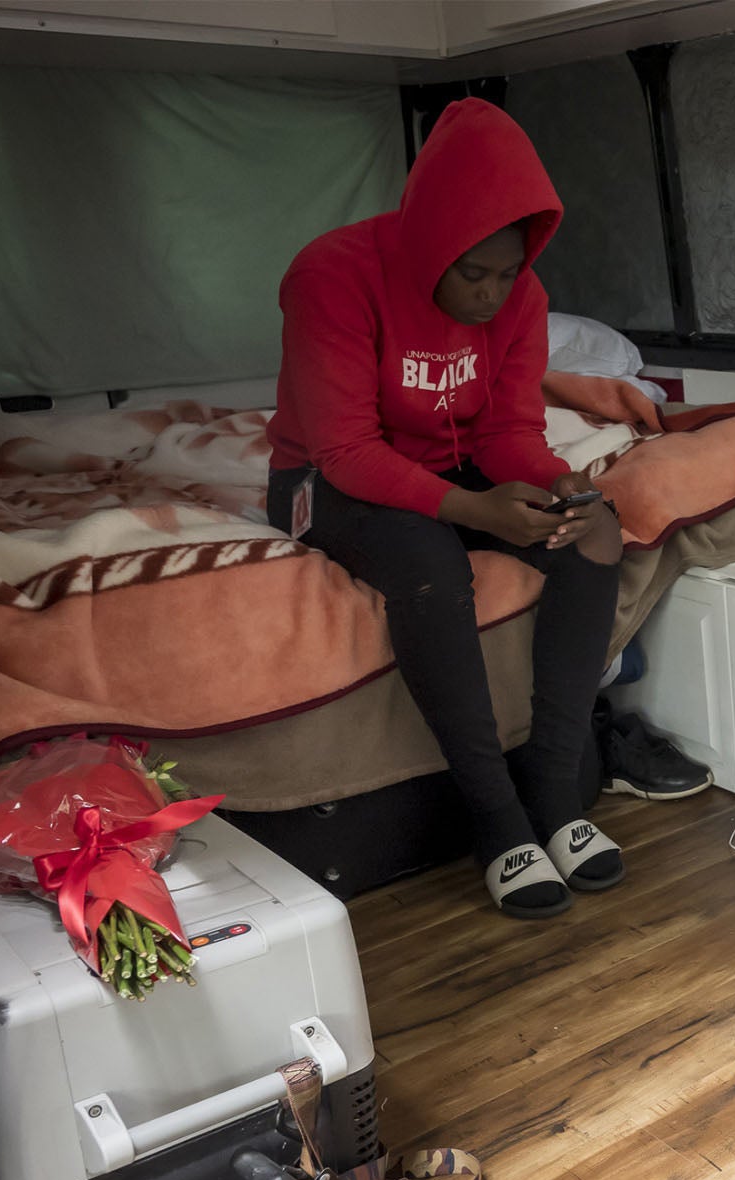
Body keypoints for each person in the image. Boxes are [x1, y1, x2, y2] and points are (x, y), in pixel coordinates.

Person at [266, 98, 620, 921]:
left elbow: (506, 432)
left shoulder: (521, 298)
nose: (494, 295)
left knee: (595, 541)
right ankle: (497, 823)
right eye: (475, 274)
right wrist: (476, 511)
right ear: (431, 241)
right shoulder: (333, 274)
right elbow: (346, 449)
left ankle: (556, 797)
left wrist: (560, 486)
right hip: (326, 479)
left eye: (509, 273)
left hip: (452, 467)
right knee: (430, 565)